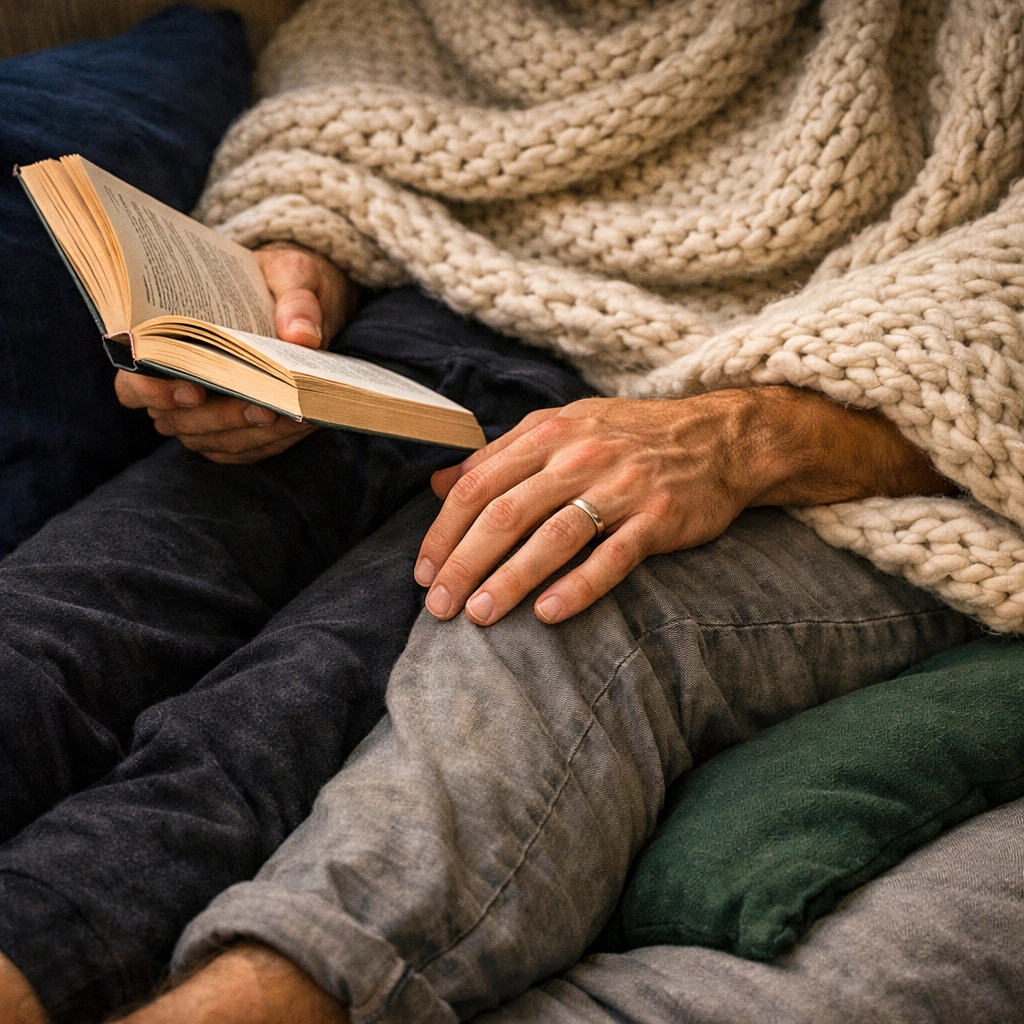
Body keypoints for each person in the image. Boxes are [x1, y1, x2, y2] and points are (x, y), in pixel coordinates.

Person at [3, 0, 1024, 1021]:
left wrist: (746, 433)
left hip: (800, 367)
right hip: (435, 310)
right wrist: (297, 267)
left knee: (330, 675)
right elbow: (365, 78)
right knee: (70, 607)